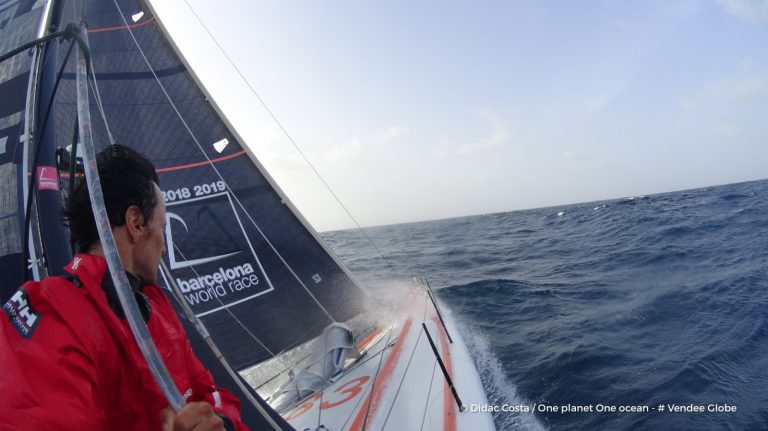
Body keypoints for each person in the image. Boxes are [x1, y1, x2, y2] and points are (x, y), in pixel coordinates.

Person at [0, 145, 249, 430]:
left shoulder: (155, 305)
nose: (164, 247)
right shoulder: (53, 311)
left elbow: (207, 389)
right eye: (162, 227)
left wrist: (222, 423)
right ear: (136, 223)